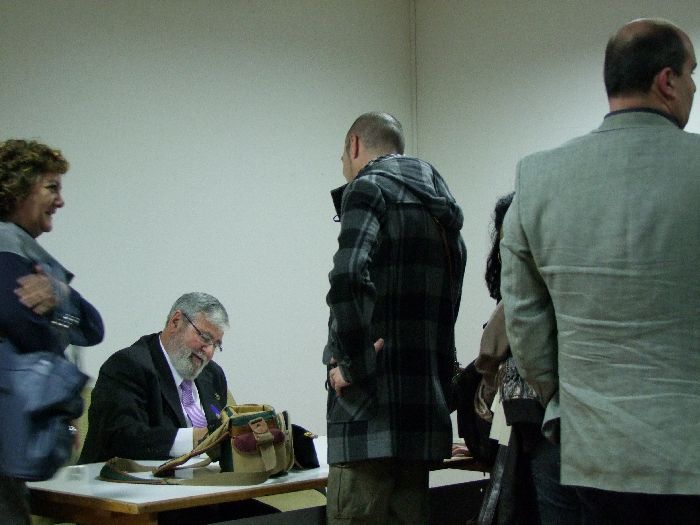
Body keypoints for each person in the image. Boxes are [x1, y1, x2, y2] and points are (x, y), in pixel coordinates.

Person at [500, 18, 699, 524]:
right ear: (667, 80)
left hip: (591, 451)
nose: (694, 87)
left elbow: (524, 321)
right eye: (692, 73)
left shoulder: (538, 177)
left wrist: (564, 402)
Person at [323, 111, 467, 524]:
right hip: (421, 416)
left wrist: (354, 364)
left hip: (367, 417)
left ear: (354, 145)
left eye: (343, 157)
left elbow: (348, 277)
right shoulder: (442, 210)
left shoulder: (367, 188)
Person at [0, 139, 104, 525]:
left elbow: (92, 326)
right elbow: (16, 318)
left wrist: (58, 296)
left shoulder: (24, 254)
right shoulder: (7, 248)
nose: (60, 201)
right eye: (51, 187)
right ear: (18, 189)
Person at [474, 192, 580, 525]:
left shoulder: (521, 295)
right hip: (558, 411)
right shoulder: (566, 274)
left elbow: (491, 352)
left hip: (535, 414)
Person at [79, 292, 228, 464]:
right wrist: (195, 438)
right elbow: (122, 438)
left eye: (216, 345)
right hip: (125, 477)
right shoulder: (128, 365)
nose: (208, 351)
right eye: (205, 338)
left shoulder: (213, 375)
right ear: (176, 321)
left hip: (203, 478)